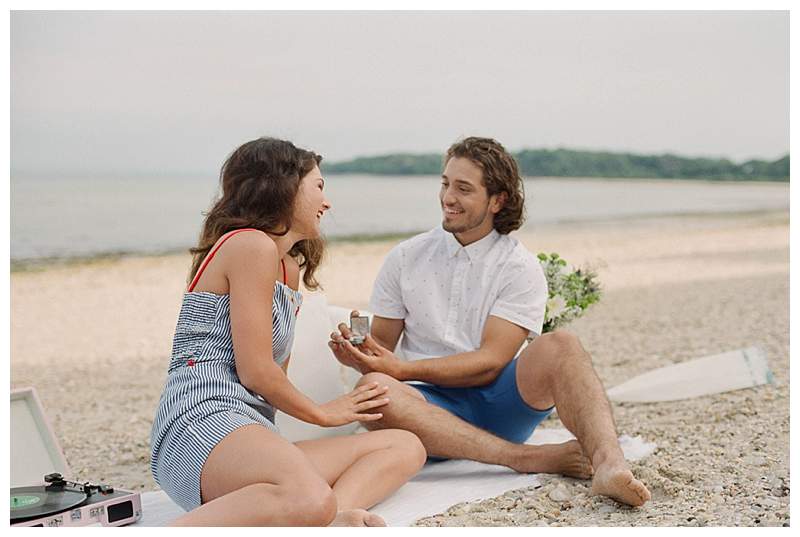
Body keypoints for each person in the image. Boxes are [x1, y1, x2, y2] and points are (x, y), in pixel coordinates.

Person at [329, 136, 651, 508]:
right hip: (425, 411)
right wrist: (360, 351)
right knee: (374, 387)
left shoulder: (519, 267)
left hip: (498, 403)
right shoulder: (405, 257)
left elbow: (490, 363)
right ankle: (525, 458)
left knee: (562, 344)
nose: (448, 197)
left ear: (497, 200)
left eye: (463, 188)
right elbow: (382, 348)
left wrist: (399, 369)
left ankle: (610, 465)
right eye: (445, 183)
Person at [150, 137, 426, 527]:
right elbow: (256, 372)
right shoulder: (249, 245)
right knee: (307, 495)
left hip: (251, 431)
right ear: (282, 187)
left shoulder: (287, 269)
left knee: (404, 445)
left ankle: (331, 517)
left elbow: (274, 377)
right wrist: (324, 414)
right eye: (318, 187)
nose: (326, 203)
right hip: (201, 427)